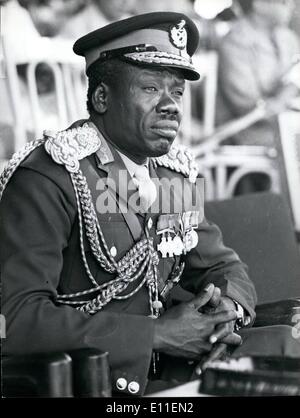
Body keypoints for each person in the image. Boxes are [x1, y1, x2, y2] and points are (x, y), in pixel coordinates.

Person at [1, 12, 299, 397]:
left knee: (290, 347)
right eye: (150, 88)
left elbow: (222, 266)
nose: (171, 105)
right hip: (101, 383)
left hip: (178, 366)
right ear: (102, 97)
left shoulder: (168, 176)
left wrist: (226, 311)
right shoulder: (52, 175)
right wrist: (158, 335)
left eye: (176, 92)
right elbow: (18, 319)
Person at [216, 0, 300, 148]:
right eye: (284, 1)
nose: (291, 5)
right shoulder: (235, 42)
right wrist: (286, 96)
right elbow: (248, 106)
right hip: (249, 134)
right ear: (259, 4)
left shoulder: (288, 38)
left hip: (287, 126)